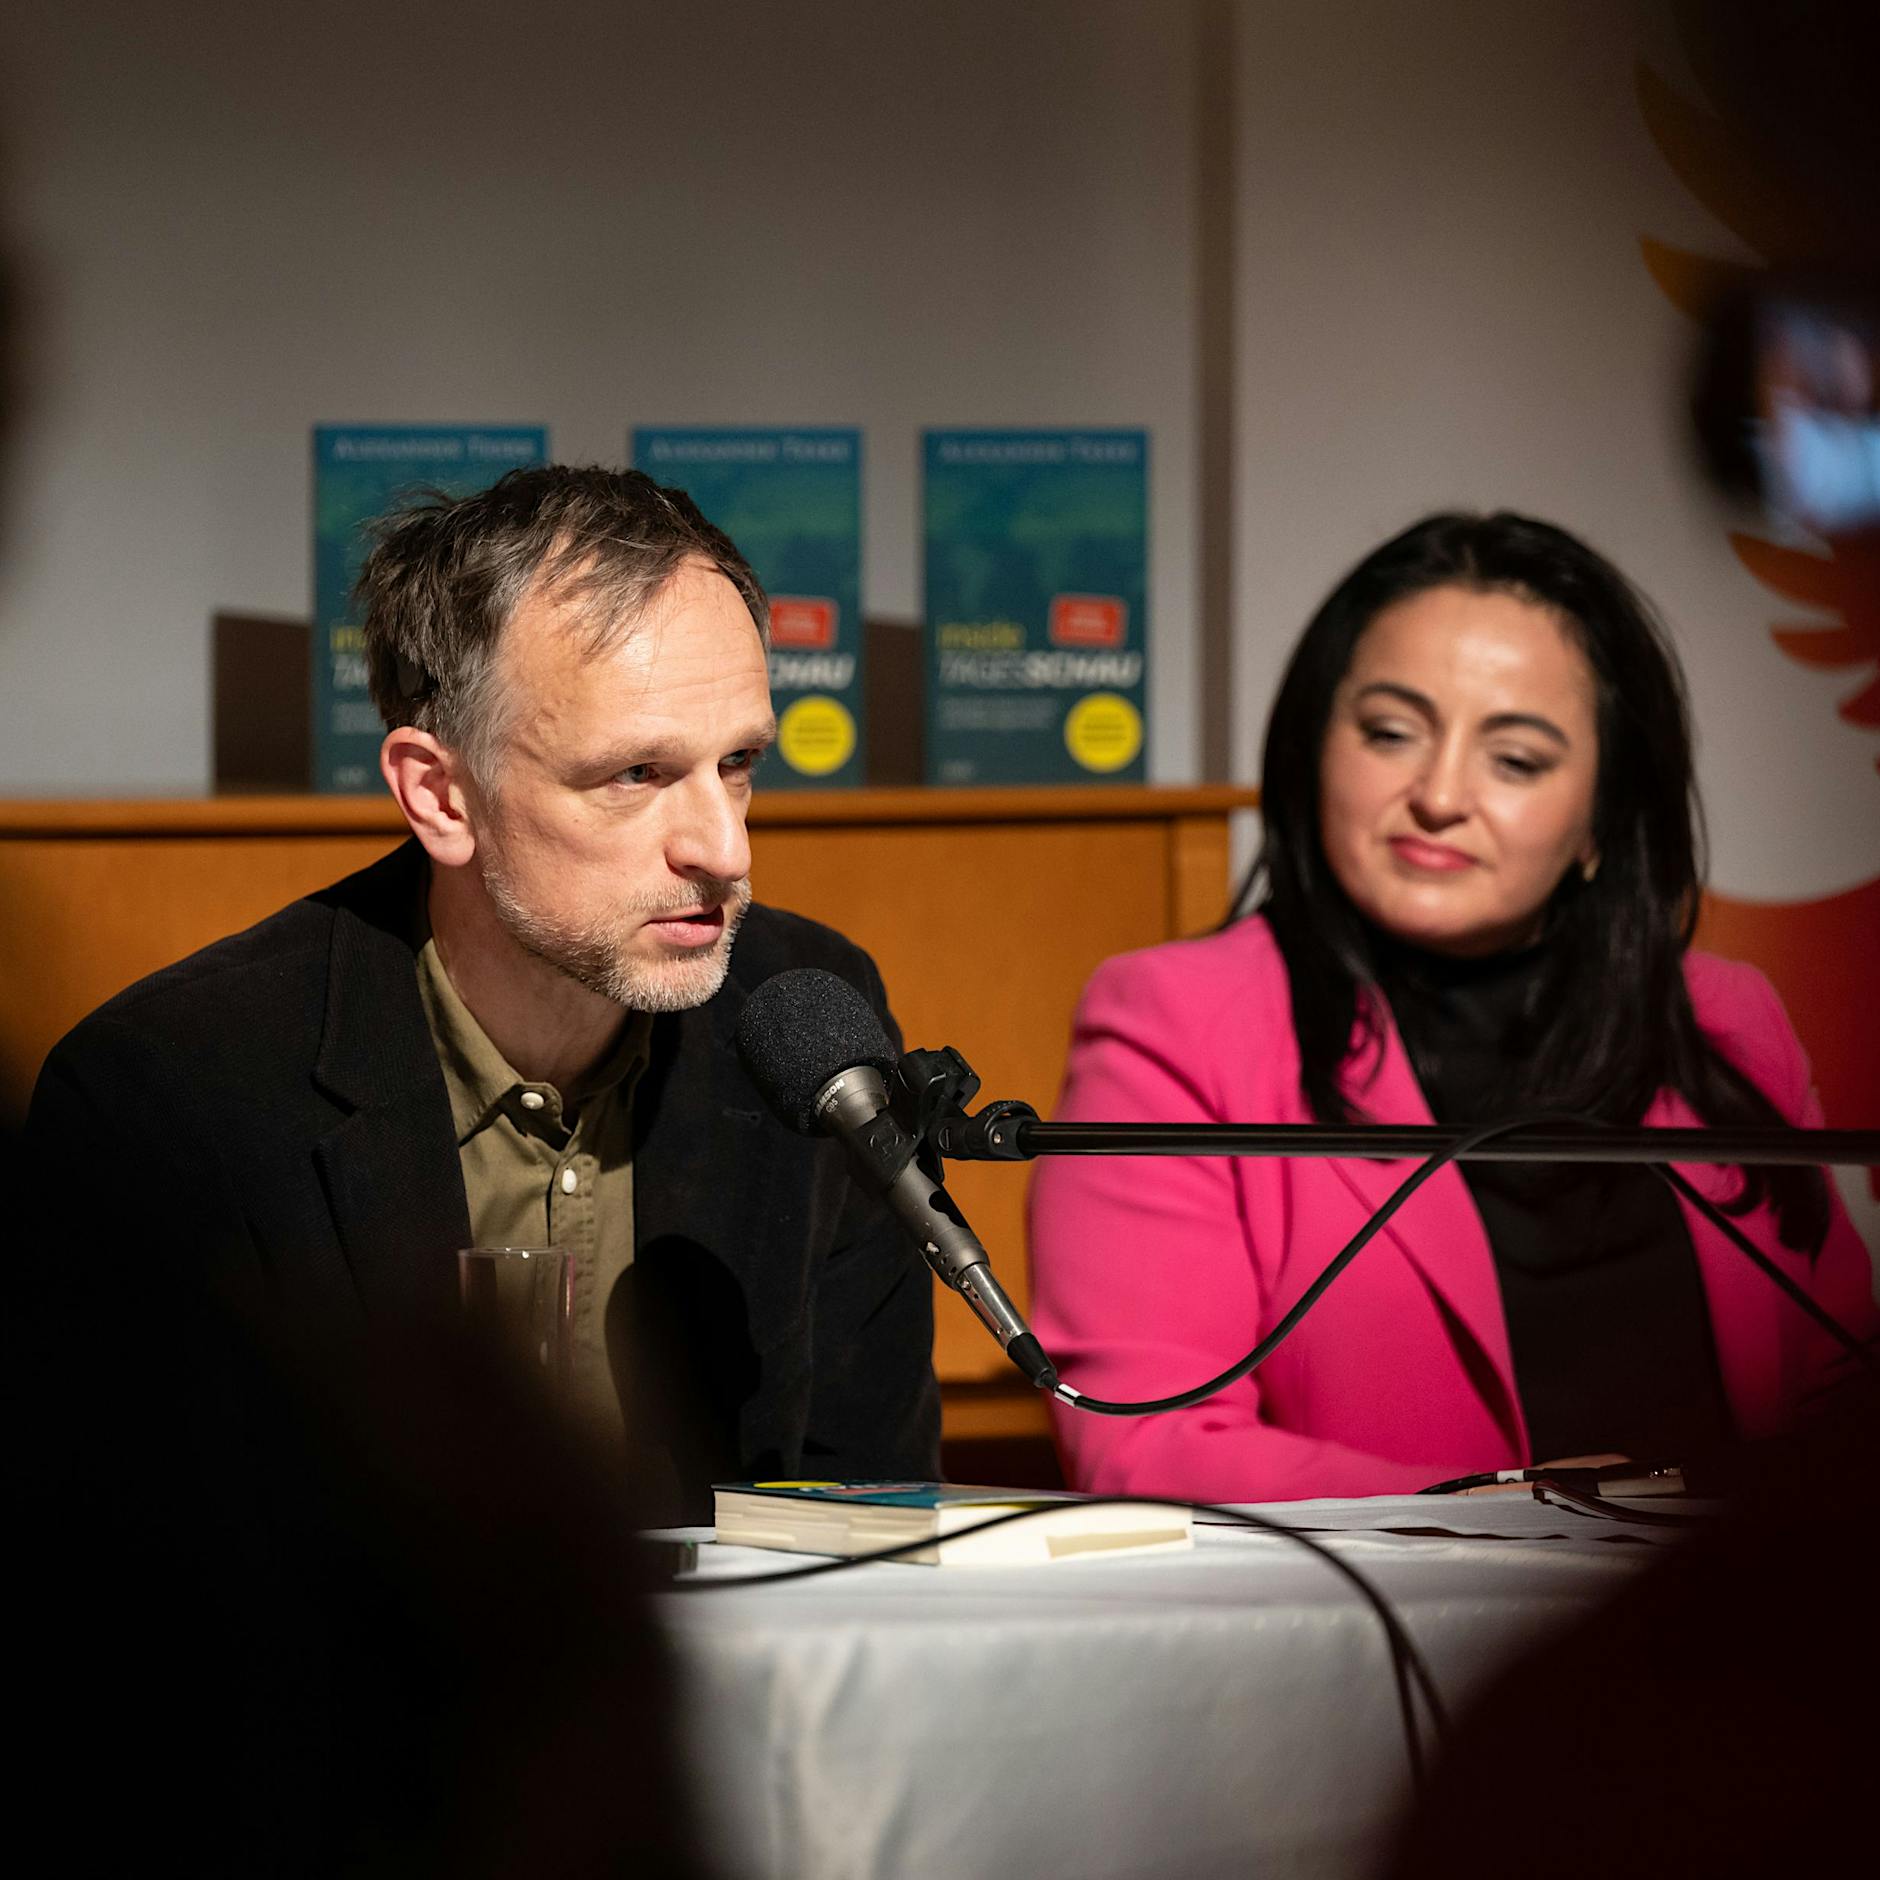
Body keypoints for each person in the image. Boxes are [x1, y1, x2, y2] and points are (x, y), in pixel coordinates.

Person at [27, 464, 939, 1515]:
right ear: (441, 795)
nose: (724, 849)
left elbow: (870, 1514)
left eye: (736, 763)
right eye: (634, 775)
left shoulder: (808, 1023)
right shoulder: (176, 1092)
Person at [1028, 510, 1876, 1502]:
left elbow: (1842, 1391)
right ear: (1312, 747)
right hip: (1388, 1606)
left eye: (1514, 759)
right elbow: (1147, 1445)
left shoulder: (1727, 1020)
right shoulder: (1174, 1025)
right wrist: (1521, 1511)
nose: (1437, 795)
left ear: (1602, 816)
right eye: (1390, 733)